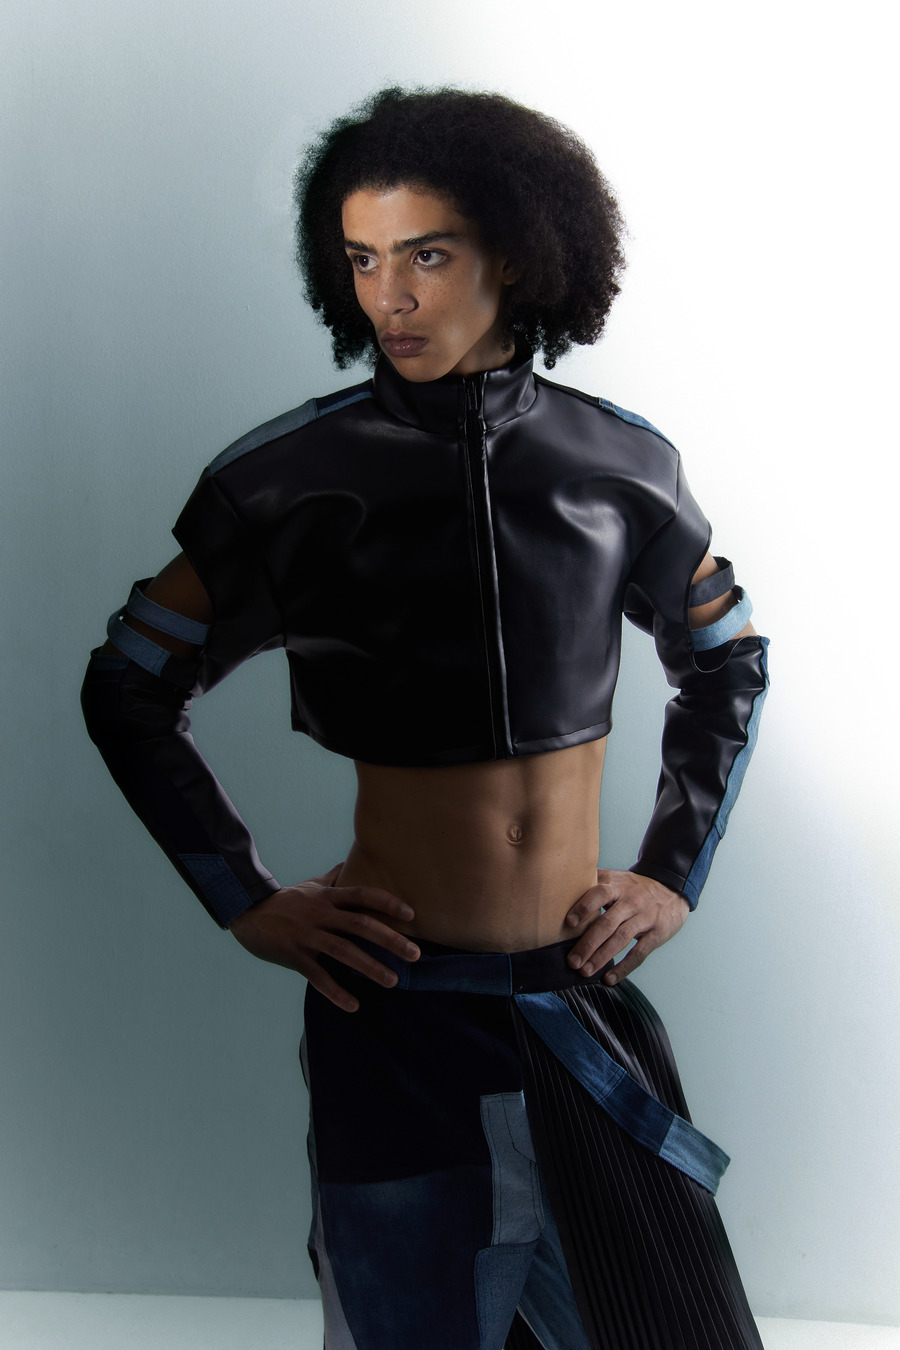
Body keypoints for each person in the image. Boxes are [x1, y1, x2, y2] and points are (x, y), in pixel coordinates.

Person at [81, 88, 770, 1350]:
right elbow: (126, 685)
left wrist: (672, 875)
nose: (388, 298)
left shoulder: (624, 466)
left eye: (427, 255)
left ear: (516, 254)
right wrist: (245, 897)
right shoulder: (283, 483)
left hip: (579, 1002)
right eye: (362, 260)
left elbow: (727, 666)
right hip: (396, 1020)